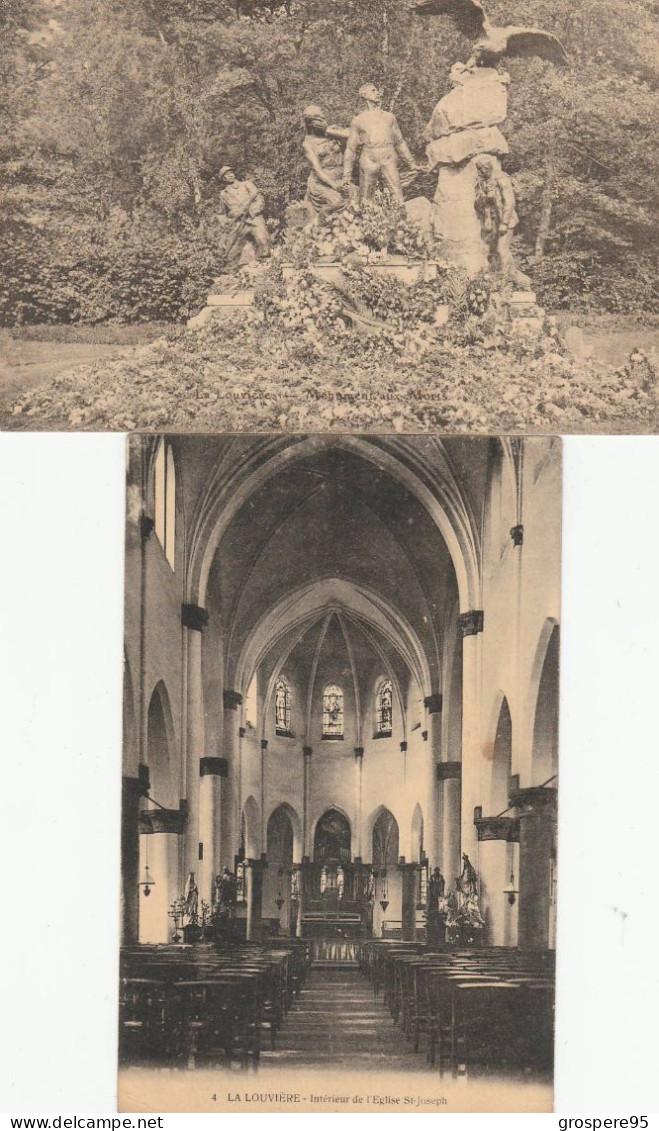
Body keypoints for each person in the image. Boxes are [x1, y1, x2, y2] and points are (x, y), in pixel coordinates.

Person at [342, 83, 421, 205]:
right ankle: (369, 223)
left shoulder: (389, 117)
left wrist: (411, 164)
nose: (378, 93)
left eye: (377, 90)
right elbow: (351, 149)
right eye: (373, 91)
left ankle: (402, 222)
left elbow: (400, 142)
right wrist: (346, 175)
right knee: (366, 201)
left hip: (388, 158)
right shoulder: (358, 120)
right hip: (369, 159)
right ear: (364, 95)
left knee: (399, 198)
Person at [473, 155, 530, 286]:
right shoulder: (482, 183)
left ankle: (505, 282)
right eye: (479, 170)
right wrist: (484, 197)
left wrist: (504, 223)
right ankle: (510, 279)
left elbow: (509, 202)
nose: (481, 172)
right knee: (490, 251)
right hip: (491, 222)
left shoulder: (502, 179)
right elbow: (477, 205)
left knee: (501, 250)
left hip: (506, 220)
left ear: (487, 168)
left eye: (482, 170)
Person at [302, 105, 350, 220]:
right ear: (311, 123)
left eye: (323, 119)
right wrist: (335, 186)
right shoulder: (308, 144)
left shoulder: (334, 132)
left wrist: (328, 131)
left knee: (357, 198)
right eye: (318, 120)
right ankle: (318, 225)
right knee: (338, 202)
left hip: (341, 180)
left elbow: (352, 136)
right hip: (322, 184)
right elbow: (317, 170)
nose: (322, 122)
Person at [217, 165, 270, 269]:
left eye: (231, 172)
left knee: (262, 238)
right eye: (226, 175)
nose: (230, 175)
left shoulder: (247, 185)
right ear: (224, 179)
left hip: (253, 218)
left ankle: (264, 262)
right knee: (230, 249)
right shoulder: (224, 194)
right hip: (237, 223)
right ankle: (230, 268)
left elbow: (259, 200)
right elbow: (221, 213)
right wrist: (226, 222)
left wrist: (251, 211)